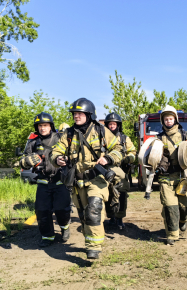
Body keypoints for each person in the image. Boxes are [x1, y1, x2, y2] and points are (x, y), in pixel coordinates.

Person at [51, 98, 123, 259]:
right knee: (84, 215)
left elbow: (118, 148)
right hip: (77, 181)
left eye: (80, 113)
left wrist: (109, 159)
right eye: (75, 114)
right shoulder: (68, 134)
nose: (76, 116)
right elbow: (55, 151)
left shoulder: (101, 130)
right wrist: (57, 159)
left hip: (97, 178)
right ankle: (90, 239)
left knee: (94, 208)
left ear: (89, 114)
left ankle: (94, 248)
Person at [20, 112, 72, 248]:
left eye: (45, 125)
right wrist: (25, 162)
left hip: (61, 180)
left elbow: (72, 153)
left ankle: (65, 227)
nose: (42, 128)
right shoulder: (32, 142)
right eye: (40, 126)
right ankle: (47, 236)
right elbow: (22, 160)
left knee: (62, 209)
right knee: (42, 211)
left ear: (51, 126)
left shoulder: (60, 138)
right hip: (43, 181)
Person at [155, 105, 187, 245]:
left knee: (184, 207)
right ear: (162, 121)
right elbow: (151, 156)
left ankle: (183, 220)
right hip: (166, 178)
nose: (168, 121)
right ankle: (172, 234)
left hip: (183, 178)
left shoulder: (185, 135)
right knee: (170, 206)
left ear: (175, 119)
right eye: (166, 119)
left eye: (171, 118)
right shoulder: (158, 138)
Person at [104, 112, 137, 230]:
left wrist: (127, 159)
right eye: (110, 124)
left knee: (122, 196)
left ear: (118, 125)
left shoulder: (124, 138)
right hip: (106, 172)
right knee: (108, 195)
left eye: (114, 124)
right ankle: (111, 217)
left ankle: (120, 218)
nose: (112, 126)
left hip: (122, 173)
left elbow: (133, 152)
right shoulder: (101, 138)